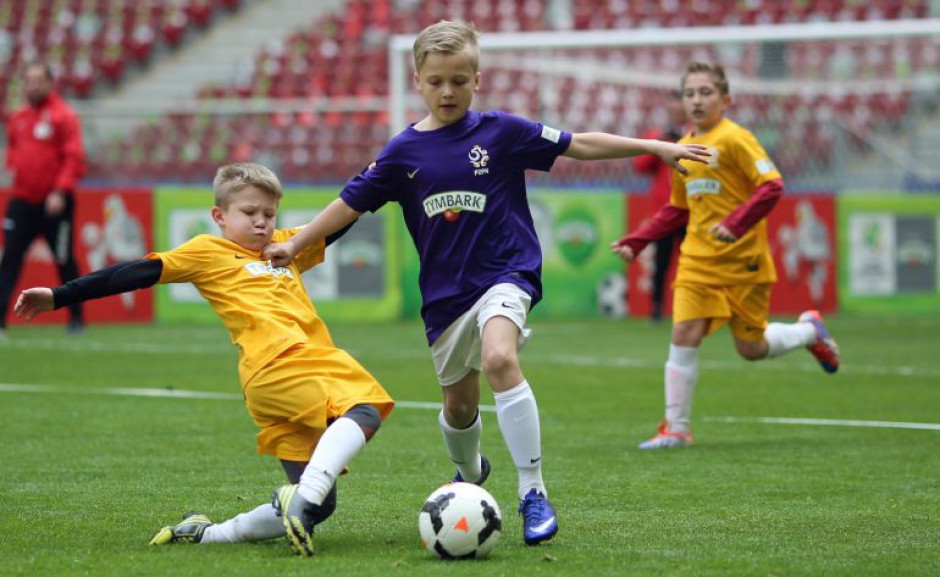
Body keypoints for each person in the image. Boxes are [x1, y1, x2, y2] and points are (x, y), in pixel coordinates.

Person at [261, 20, 709, 546]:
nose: (447, 91)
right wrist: (295, 244)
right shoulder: (402, 153)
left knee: (500, 357)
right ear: (418, 80)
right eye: (436, 81)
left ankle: (532, 493)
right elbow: (350, 202)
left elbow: (577, 144)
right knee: (458, 406)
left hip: (507, 273)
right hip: (446, 298)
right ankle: (471, 472)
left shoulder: (501, 132)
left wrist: (654, 147)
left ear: (477, 78)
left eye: (458, 79)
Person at [14, 162, 394, 557]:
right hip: (282, 362)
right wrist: (60, 295)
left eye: (268, 214)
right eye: (249, 213)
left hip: (274, 385)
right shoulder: (207, 251)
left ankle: (206, 534)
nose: (261, 223)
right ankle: (299, 496)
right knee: (364, 408)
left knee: (320, 505)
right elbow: (135, 273)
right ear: (220, 216)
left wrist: (377, 175)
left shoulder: (285, 246)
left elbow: (339, 220)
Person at [611, 62, 840, 450]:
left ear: (726, 99)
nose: (697, 100)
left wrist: (734, 224)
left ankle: (808, 331)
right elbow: (678, 209)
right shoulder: (682, 147)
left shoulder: (736, 139)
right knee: (683, 332)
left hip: (742, 262)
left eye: (705, 92)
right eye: (690, 93)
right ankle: (676, 428)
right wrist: (638, 239)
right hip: (698, 260)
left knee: (751, 348)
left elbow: (771, 186)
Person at [1, 62, 86, 337]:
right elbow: (14, 152)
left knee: (64, 259)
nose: (33, 85)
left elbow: (74, 158)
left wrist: (59, 191)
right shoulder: (19, 117)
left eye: (39, 80)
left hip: (55, 203)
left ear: (50, 83)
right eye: (29, 80)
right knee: (10, 258)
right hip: (23, 200)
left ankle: (76, 318)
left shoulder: (64, 116)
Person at [632, 89, 687, 322]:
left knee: (692, 263)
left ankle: (691, 309)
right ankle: (656, 309)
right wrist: (661, 143)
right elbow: (641, 165)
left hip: (692, 210)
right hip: (664, 211)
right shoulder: (658, 135)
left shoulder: (698, 134)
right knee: (661, 262)